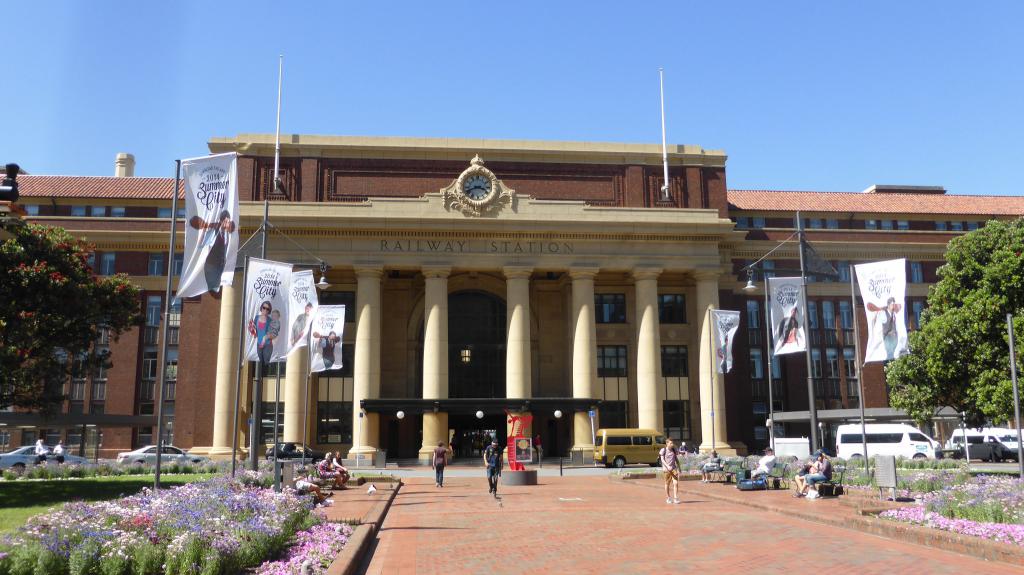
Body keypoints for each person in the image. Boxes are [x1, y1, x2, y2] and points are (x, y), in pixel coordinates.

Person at [189, 210, 235, 294]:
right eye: (226, 221)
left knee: (222, 289)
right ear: (221, 221)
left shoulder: (228, 233)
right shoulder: (213, 231)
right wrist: (204, 230)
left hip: (222, 266)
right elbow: (200, 245)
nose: (227, 223)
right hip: (212, 266)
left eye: (228, 221)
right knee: (214, 290)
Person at [248, 301, 279, 368]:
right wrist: (252, 329)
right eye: (264, 308)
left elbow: (273, 334)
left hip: (267, 345)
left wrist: (266, 337)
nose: (265, 310)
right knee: (260, 362)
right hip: (259, 344)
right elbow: (254, 330)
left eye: (267, 309)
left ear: (269, 311)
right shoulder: (256, 318)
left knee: (265, 364)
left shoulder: (270, 321)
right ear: (261, 308)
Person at [659, 439, 682, 504]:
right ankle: (668, 497)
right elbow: (662, 460)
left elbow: (676, 459)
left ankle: (675, 498)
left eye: (672, 443)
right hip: (667, 470)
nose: (672, 444)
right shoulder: (663, 450)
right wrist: (667, 466)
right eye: (670, 443)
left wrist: (679, 467)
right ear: (667, 443)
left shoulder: (674, 450)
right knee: (667, 484)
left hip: (674, 469)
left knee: (676, 483)